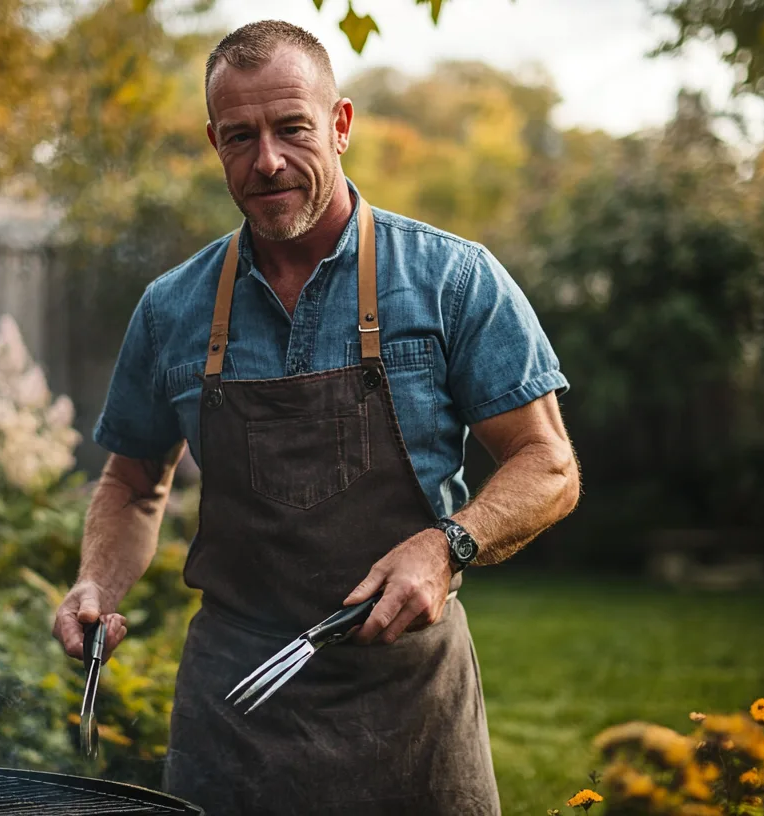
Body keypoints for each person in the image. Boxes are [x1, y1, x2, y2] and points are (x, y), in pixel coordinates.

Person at [51, 19, 580, 816]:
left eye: (291, 128)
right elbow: (132, 483)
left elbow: (549, 465)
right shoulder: (171, 309)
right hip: (235, 715)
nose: (266, 161)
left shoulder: (451, 279)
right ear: (214, 142)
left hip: (409, 711)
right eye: (240, 137)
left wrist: (447, 545)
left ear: (340, 125)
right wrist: (96, 582)